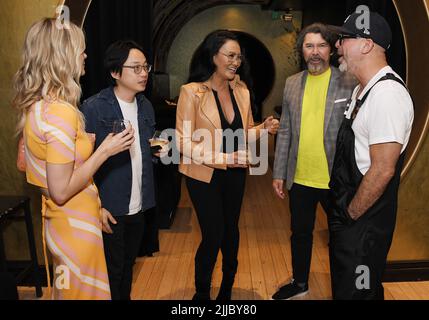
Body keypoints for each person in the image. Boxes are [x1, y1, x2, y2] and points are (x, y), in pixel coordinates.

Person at [13, 18, 134, 300]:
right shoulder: (60, 113)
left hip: (65, 222)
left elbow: (41, 173)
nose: (85, 56)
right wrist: (105, 150)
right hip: (74, 231)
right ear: (62, 57)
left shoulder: (39, 107)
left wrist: (94, 207)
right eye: (81, 49)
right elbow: (61, 190)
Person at [176, 30, 279, 300]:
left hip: (235, 175)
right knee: (213, 234)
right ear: (213, 57)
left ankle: (226, 289)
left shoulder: (242, 91)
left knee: (231, 232)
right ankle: (201, 293)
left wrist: (263, 128)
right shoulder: (191, 93)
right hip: (202, 175)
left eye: (238, 57)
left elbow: (243, 131)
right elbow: (183, 143)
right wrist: (225, 159)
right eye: (230, 55)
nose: (236, 61)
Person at [329, 10, 414, 299]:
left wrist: (351, 215)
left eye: (344, 39)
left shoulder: (387, 95)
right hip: (350, 220)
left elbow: (382, 170)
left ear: (366, 44)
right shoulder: (362, 91)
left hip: (363, 226)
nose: (337, 46)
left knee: (357, 293)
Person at [272, 23, 356, 300]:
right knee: (300, 234)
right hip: (301, 177)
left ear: (331, 50)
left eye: (321, 46)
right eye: (309, 46)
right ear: (302, 51)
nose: (315, 52)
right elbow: (285, 130)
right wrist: (279, 173)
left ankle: (343, 289)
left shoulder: (350, 81)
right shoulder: (292, 83)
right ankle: (300, 283)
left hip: (336, 179)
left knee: (341, 240)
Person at [81, 40, 156, 300]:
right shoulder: (93, 107)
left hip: (139, 204)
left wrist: (158, 152)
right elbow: (81, 162)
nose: (144, 73)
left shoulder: (146, 106)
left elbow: (145, 152)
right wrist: (96, 205)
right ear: (115, 73)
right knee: (111, 273)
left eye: (145, 67)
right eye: (135, 68)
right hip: (109, 207)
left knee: (127, 268)